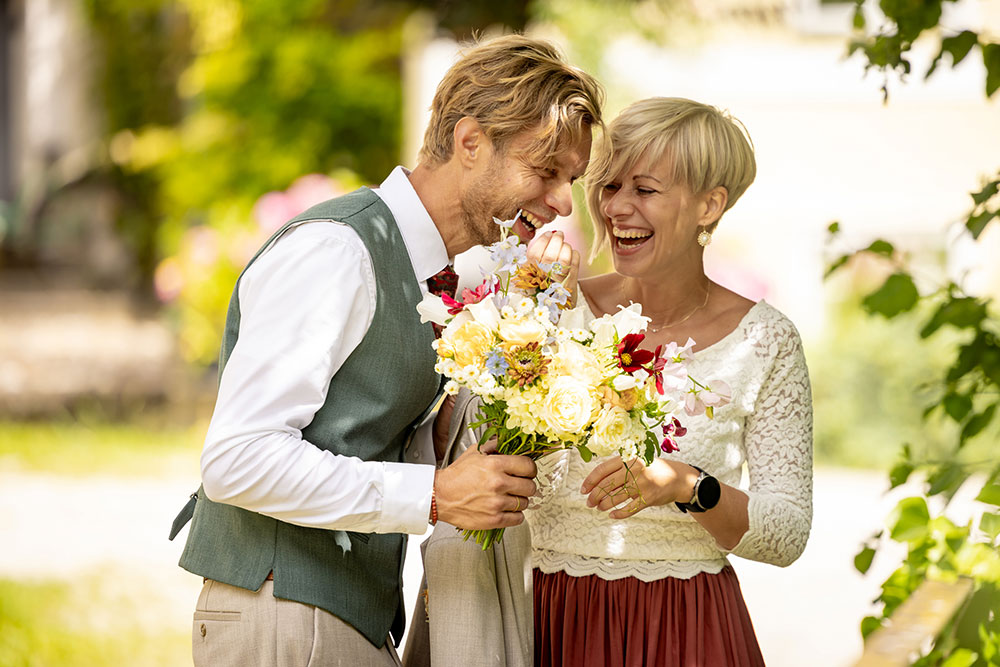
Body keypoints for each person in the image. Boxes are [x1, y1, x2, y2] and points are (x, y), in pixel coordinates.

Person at [168, 34, 603, 667]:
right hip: (284, 618)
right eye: (546, 171)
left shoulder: (440, 275)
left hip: (347, 619)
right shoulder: (339, 251)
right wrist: (434, 495)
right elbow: (238, 459)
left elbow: (362, 428)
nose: (565, 202)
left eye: (572, 179)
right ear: (471, 142)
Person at [527, 97, 814, 666]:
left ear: (710, 205)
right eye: (609, 187)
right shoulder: (551, 305)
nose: (618, 208)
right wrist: (538, 319)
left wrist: (687, 485)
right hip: (546, 618)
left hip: (685, 631)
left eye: (646, 190)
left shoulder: (766, 342)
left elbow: (787, 533)